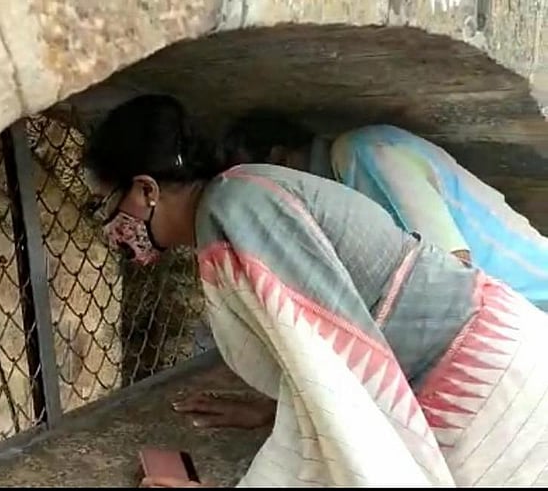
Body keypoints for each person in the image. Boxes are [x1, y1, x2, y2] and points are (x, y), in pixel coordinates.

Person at [83, 94, 548, 487]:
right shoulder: (238, 198)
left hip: (484, 386)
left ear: (146, 190)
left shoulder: (235, 213)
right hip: (481, 374)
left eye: (103, 205)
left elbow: (335, 378)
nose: (109, 227)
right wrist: (276, 410)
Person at [221, 111, 548, 311]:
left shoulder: (360, 151)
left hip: (530, 297)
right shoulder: (341, 185)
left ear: (279, 160)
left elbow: (452, 266)